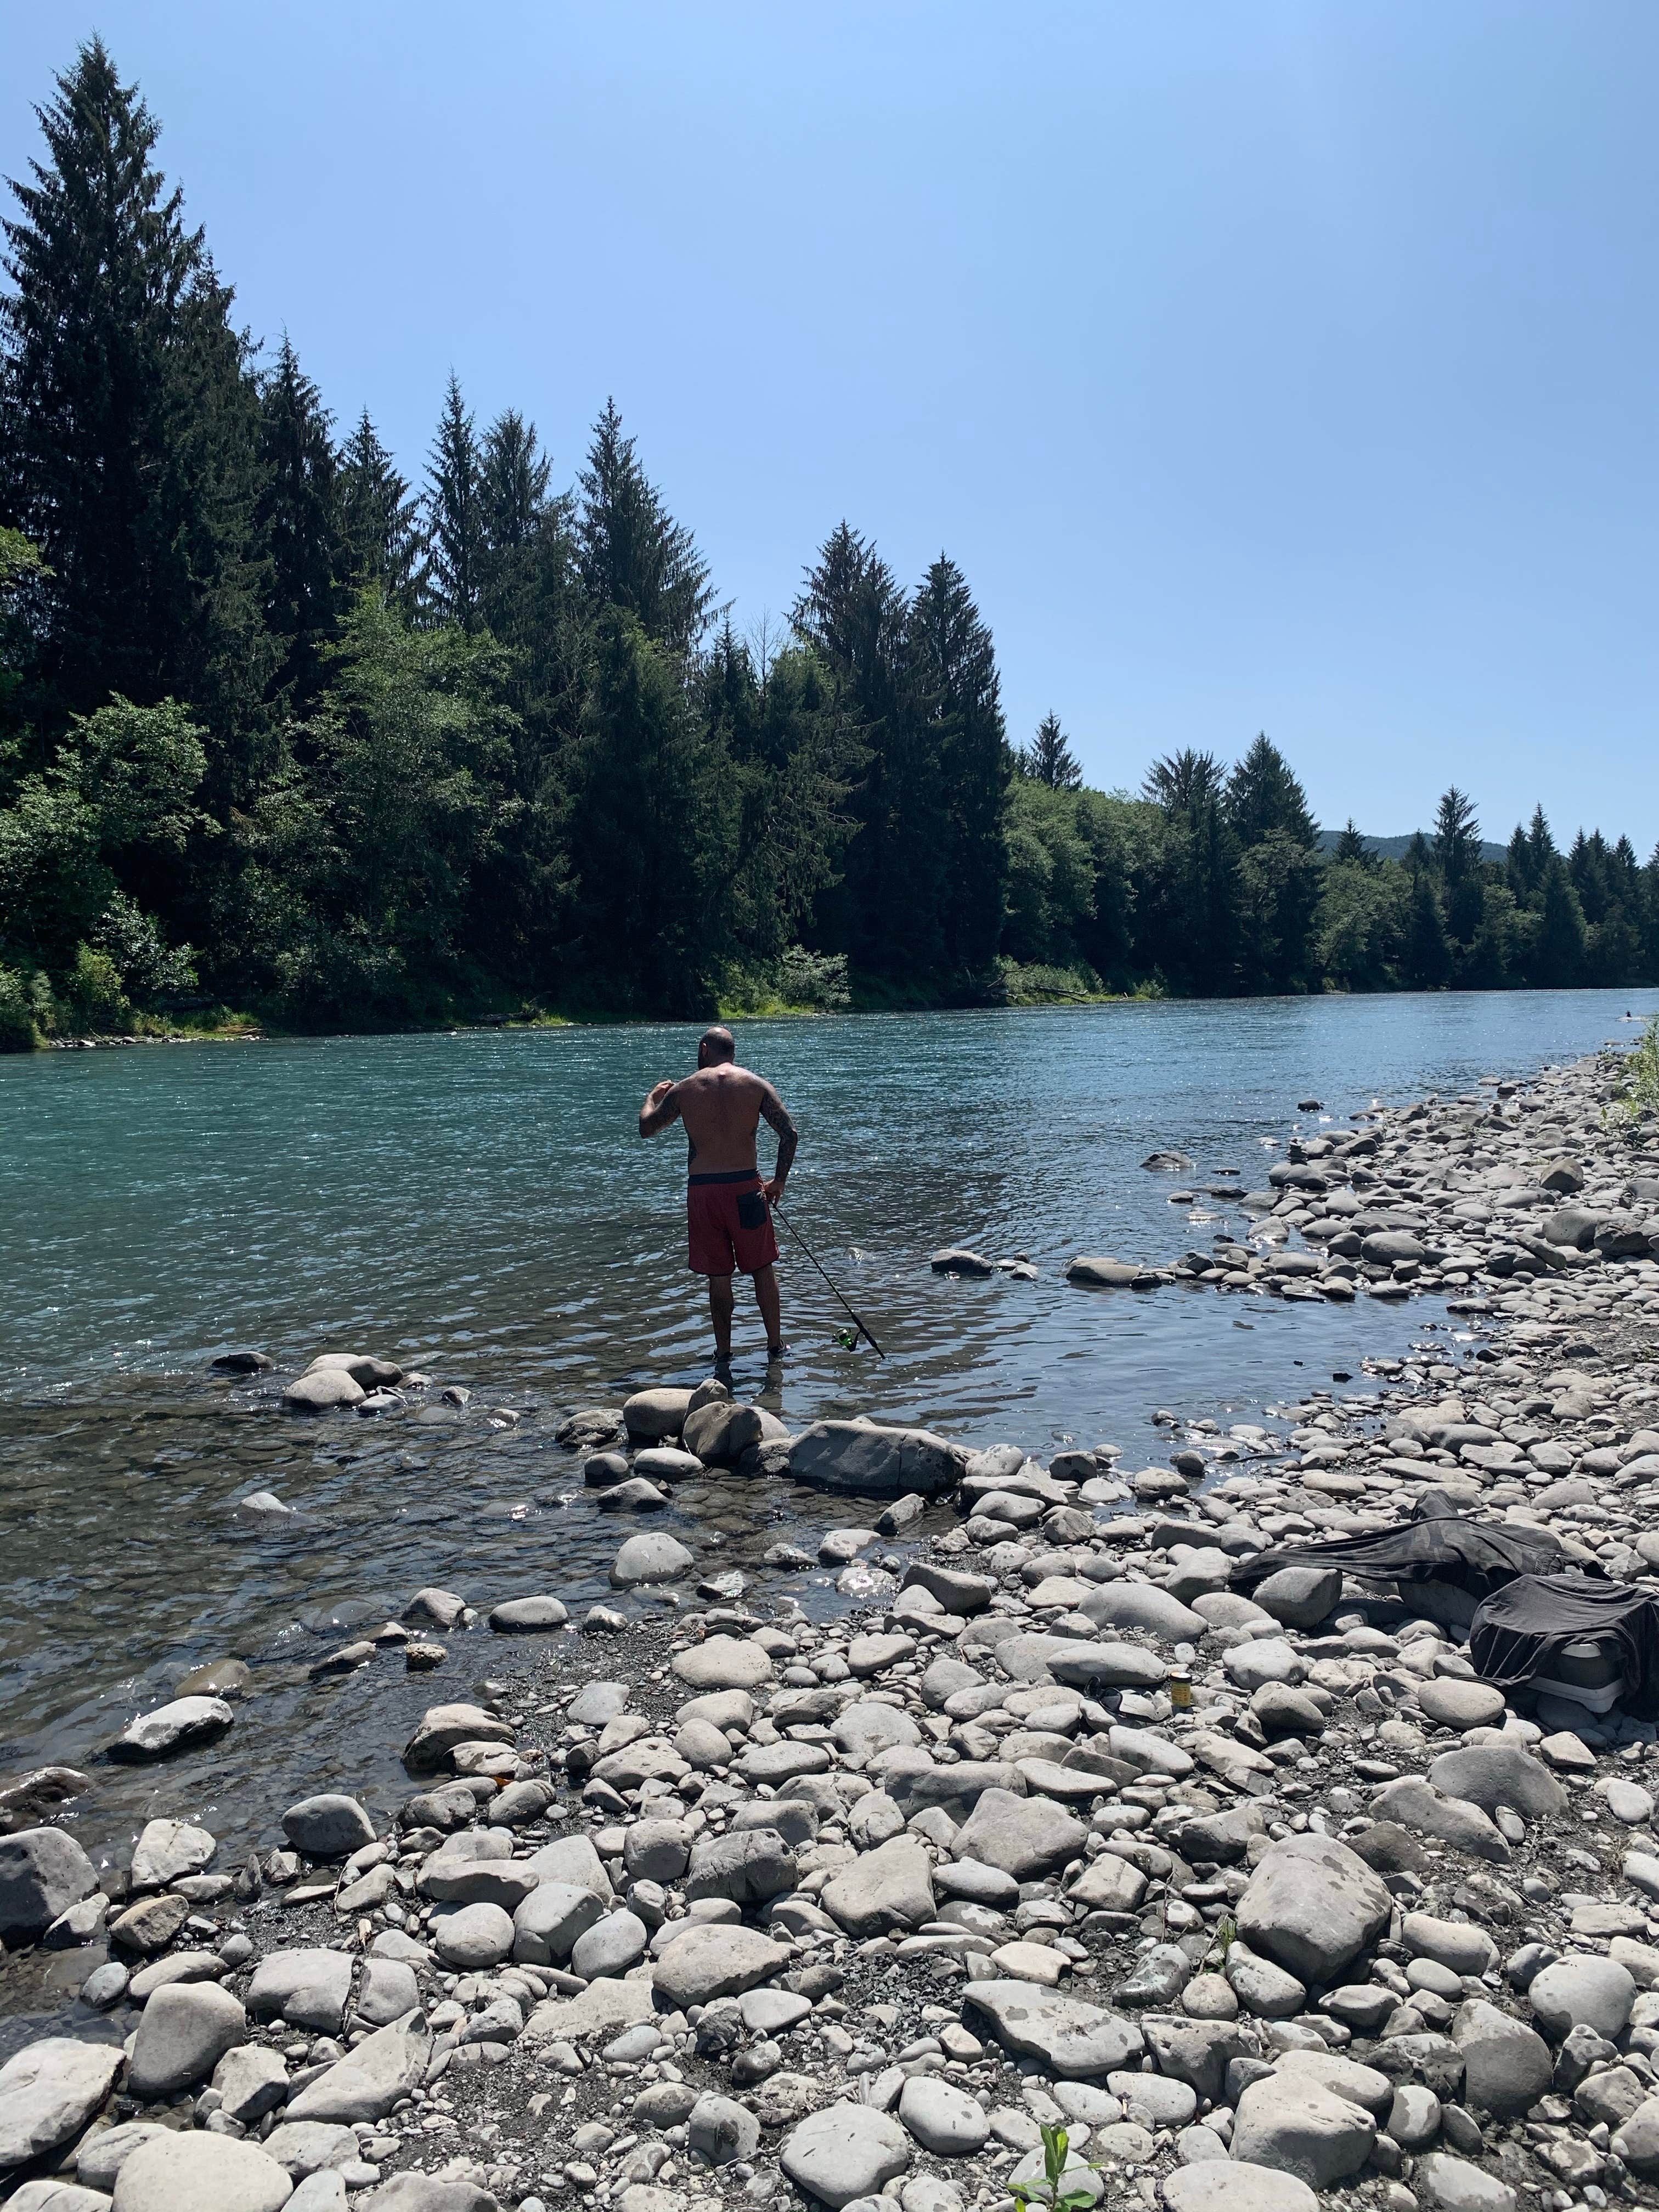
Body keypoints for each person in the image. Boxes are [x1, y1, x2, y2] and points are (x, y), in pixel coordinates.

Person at [639, 1025, 798, 1381]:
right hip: (747, 1187)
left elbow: (647, 1128)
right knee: (762, 1269)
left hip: (705, 1191)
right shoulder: (756, 1085)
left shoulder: (684, 1089)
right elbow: (789, 1134)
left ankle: (724, 1353)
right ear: (733, 1052)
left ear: (704, 1049)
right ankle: (775, 1346)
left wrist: (652, 1097)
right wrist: (779, 1182)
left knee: (719, 1277)